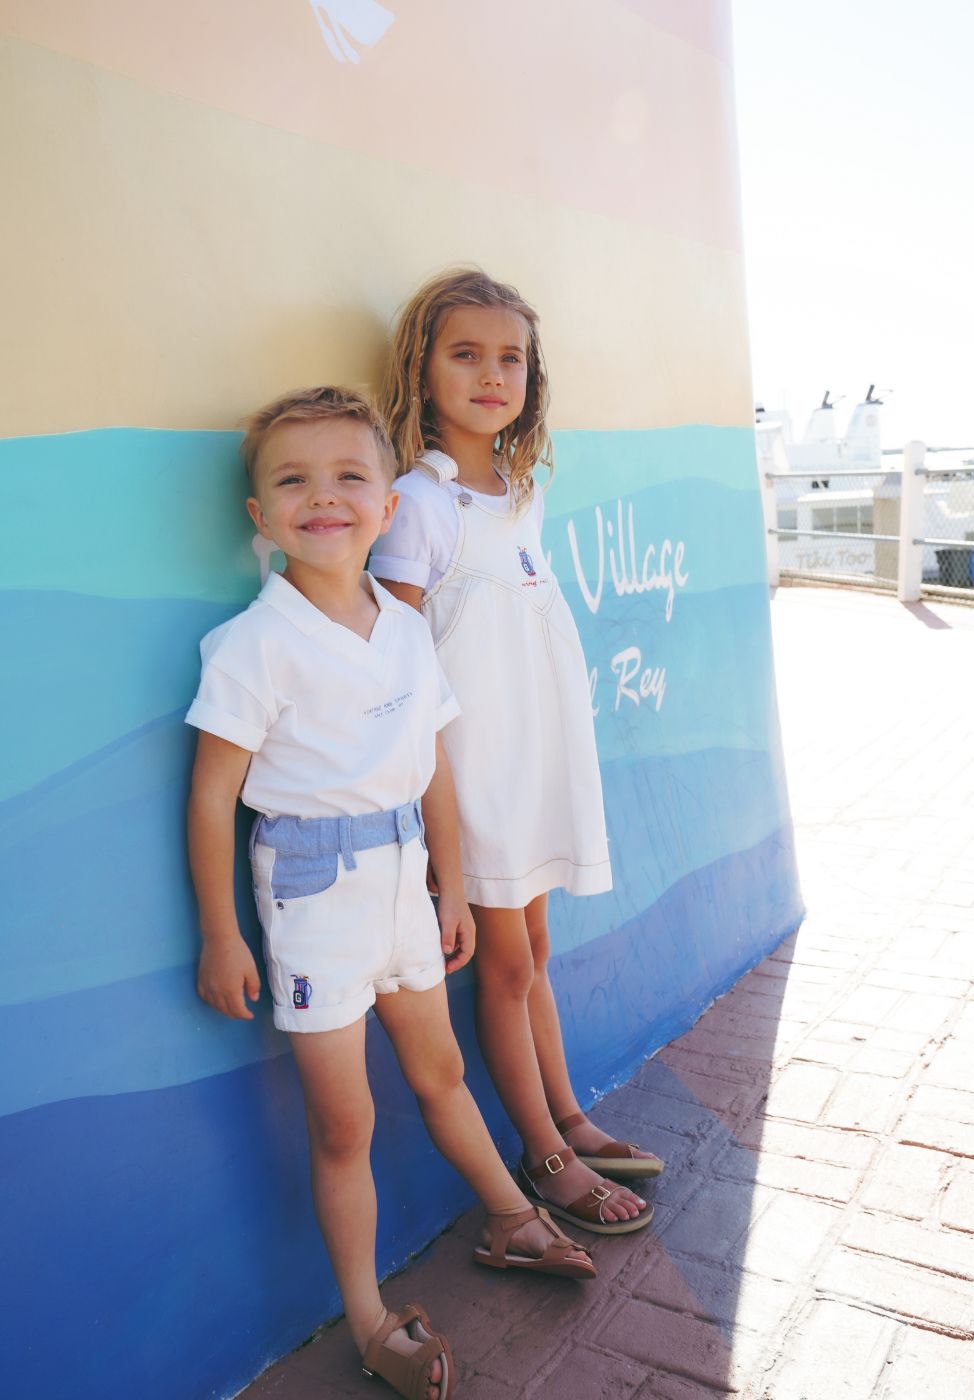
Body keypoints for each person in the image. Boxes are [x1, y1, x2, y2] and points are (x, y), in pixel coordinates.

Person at [186, 387, 595, 1400]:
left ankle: (507, 1213)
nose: (322, 497)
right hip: (314, 902)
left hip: (406, 891)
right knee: (344, 1124)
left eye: (349, 477)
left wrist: (451, 887)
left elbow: (434, 769)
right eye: (293, 480)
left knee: (442, 1070)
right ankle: (368, 1314)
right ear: (259, 514)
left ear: (385, 506)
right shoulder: (253, 644)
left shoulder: (404, 628)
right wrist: (220, 934)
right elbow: (209, 799)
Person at [373, 270, 662, 1240]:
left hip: (533, 760)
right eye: (466, 353)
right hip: (476, 778)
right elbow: (400, 661)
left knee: (534, 948)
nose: (492, 373)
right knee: (502, 963)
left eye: (510, 357)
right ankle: (540, 1152)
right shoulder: (419, 501)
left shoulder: (517, 491)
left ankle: (569, 1114)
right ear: (421, 366)